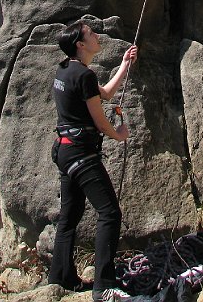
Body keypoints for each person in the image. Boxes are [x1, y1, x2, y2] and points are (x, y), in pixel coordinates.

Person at [48, 17, 137, 302]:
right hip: (81, 153)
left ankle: (60, 278)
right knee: (109, 212)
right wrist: (119, 135)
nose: (97, 35)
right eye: (91, 33)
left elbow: (106, 94)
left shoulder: (65, 70)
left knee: (70, 216)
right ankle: (103, 287)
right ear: (80, 44)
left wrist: (124, 64)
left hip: (65, 151)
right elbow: (100, 122)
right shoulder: (83, 76)